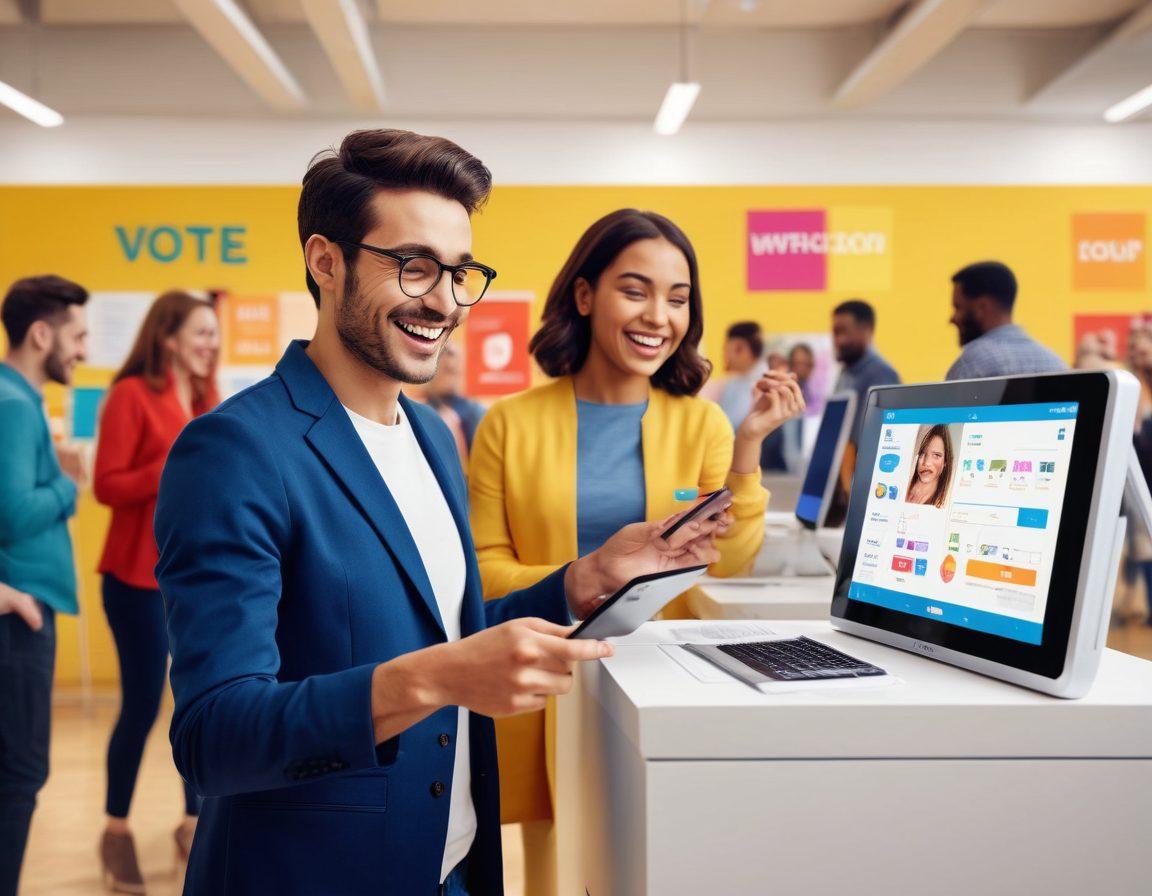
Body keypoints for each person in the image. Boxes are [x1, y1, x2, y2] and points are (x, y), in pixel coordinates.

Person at [153, 130, 725, 896]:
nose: (445, 302)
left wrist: (582, 580)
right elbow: (214, 736)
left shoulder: (430, 433)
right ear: (327, 261)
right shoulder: (235, 450)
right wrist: (436, 679)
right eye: (414, 267)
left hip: (450, 860)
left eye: (461, 273)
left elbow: (441, 627)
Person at [468, 209, 803, 894]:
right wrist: (585, 575)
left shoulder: (702, 421)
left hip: (665, 683)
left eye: (677, 298)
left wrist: (748, 450)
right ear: (585, 296)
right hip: (547, 683)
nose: (659, 315)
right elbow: (483, 572)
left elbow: (728, 561)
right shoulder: (510, 423)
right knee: (556, 872)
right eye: (636, 289)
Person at [92, 290, 220, 890]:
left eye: (214, 334)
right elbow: (108, 485)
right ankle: (115, 831)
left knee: (196, 699)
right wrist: (176, 458)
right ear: (167, 336)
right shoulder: (129, 396)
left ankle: (193, 821)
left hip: (190, 579)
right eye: (200, 333)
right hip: (134, 580)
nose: (211, 344)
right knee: (143, 706)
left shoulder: (204, 399)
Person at [0, 274, 88, 896]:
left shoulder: (19, 401)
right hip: (18, 611)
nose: (82, 350)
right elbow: (10, 515)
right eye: (77, 336)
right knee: (19, 775)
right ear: (40, 334)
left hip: (22, 605)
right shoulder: (11, 404)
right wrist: (66, 483)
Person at [945, 261, 1066, 381]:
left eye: (958, 307)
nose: (952, 319)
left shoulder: (971, 366)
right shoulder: (1057, 364)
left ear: (982, 307)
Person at [832, 299, 900, 440]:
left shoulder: (883, 376)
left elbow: (873, 439)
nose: (838, 340)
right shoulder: (846, 371)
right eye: (835, 333)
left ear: (866, 330)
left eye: (843, 332)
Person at [424, 341, 486, 452]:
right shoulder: (420, 410)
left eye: (456, 372)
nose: (452, 378)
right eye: (447, 370)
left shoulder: (476, 411)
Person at [712, 321, 767, 431]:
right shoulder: (733, 382)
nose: (724, 356)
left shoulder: (763, 386)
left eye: (726, 350)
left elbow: (727, 426)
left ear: (741, 349)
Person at [905, 424, 953, 508]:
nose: (926, 463)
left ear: (945, 461)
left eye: (936, 455)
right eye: (922, 453)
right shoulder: (901, 488)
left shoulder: (943, 506)